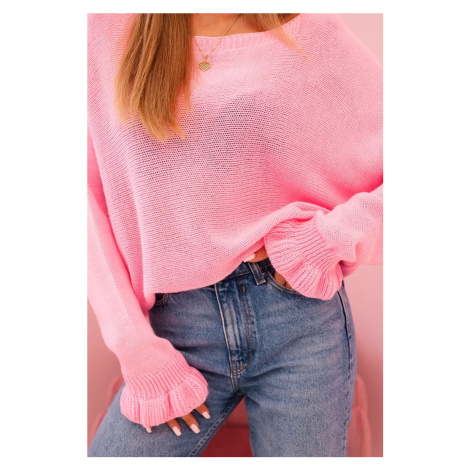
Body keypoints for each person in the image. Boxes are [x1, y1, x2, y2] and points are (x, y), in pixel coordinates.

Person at [87, 12, 382, 457]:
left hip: (298, 318)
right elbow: (85, 204)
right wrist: (135, 348)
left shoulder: (310, 34)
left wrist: (328, 240)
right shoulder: (107, 30)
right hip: (176, 327)